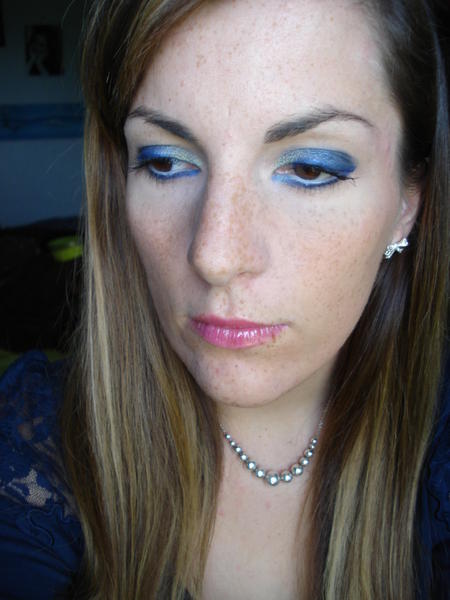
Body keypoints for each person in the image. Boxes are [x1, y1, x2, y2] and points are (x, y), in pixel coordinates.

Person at [0, 0, 448, 598]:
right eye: (164, 161)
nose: (215, 255)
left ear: (407, 204)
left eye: (310, 169)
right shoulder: (31, 453)